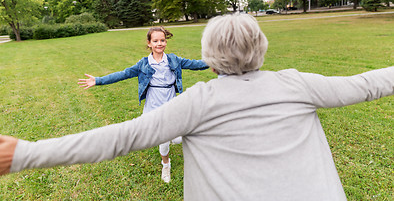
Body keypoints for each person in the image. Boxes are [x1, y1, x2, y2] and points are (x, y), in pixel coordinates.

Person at [0, 14, 393, 201]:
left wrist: (26, 153)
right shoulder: (296, 82)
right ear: (263, 47)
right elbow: (371, 83)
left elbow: (119, 138)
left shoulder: (199, 101)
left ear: (209, 55)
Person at [77, 26, 208, 183]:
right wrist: (98, 80)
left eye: (162, 40)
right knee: (163, 139)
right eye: (155, 41)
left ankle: (174, 137)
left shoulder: (173, 59)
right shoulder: (144, 64)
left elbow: (197, 64)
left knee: (179, 137)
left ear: (166, 41)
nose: (160, 43)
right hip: (154, 106)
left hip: (172, 103)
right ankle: (166, 164)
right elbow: (122, 74)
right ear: (149, 43)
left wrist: (219, 61)